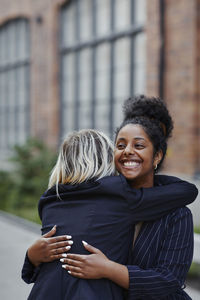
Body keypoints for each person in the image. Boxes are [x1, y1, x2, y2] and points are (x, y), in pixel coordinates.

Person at [21, 97, 198, 299]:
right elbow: (60, 266)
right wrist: (32, 257)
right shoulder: (94, 198)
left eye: (140, 143)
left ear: (158, 153)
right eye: (121, 144)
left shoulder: (176, 214)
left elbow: (169, 281)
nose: (128, 151)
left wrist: (110, 269)